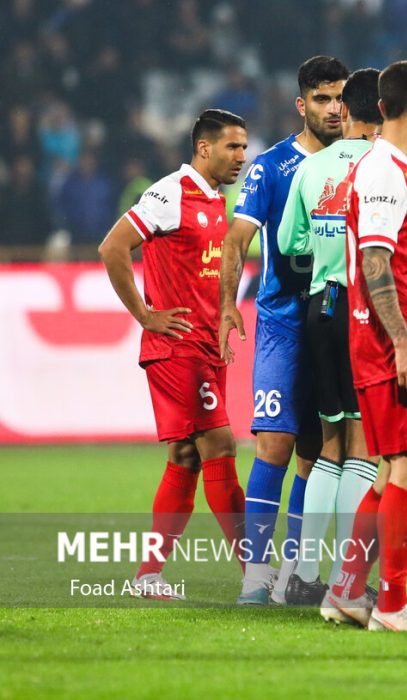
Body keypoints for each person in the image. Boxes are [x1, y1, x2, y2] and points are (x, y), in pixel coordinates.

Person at [276, 68, 407, 604]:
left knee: (344, 454)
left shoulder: (323, 168)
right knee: (395, 463)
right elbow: (386, 263)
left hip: (325, 308)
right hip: (386, 331)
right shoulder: (383, 169)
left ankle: (328, 582)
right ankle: (386, 600)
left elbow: (291, 245)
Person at [321, 60, 407, 633]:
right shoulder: (384, 172)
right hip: (390, 343)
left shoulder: (392, 167)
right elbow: (375, 262)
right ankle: (393, 606)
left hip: (395, 337)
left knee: (391, 471)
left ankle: (348, 592)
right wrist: (404, 343)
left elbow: (401, 262)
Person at [98, 109, 250, 599]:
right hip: (177, 347)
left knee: (185, 454)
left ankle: (148, 575)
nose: (241, 157)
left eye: (244, 148)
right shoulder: (170, 193)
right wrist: (145, 315)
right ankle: (256, 571)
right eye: (232, 147)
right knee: (221, 446)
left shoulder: (216, 200)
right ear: (204, 148)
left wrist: (224, 313)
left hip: (205, 346)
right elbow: (112, 247)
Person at [218, 56, 349, 606]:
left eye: (340, 98)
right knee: (273, 442)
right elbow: (236, 239)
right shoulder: (271, 167)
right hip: (280, 324)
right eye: (321, 99)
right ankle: (256, 572)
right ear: (302, 105)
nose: (333, 108)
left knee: (317, 453)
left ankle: (294, 572)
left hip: (334, 324)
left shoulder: (357, 164)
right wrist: (228, 304)